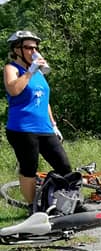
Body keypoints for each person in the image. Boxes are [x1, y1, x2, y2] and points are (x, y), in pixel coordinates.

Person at [4, 30, 72, 207]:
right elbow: (14, 90)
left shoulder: (39, 73)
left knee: (64, 166)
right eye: (28, 48)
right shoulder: (12, 69)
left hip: (44, 128)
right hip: (22, 129)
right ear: (17, 49)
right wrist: (30, 71)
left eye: (35, 48)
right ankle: (32, 207)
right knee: (29, 169)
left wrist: (54, 124)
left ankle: (67, 203)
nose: (33, 51)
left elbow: (44, 100)